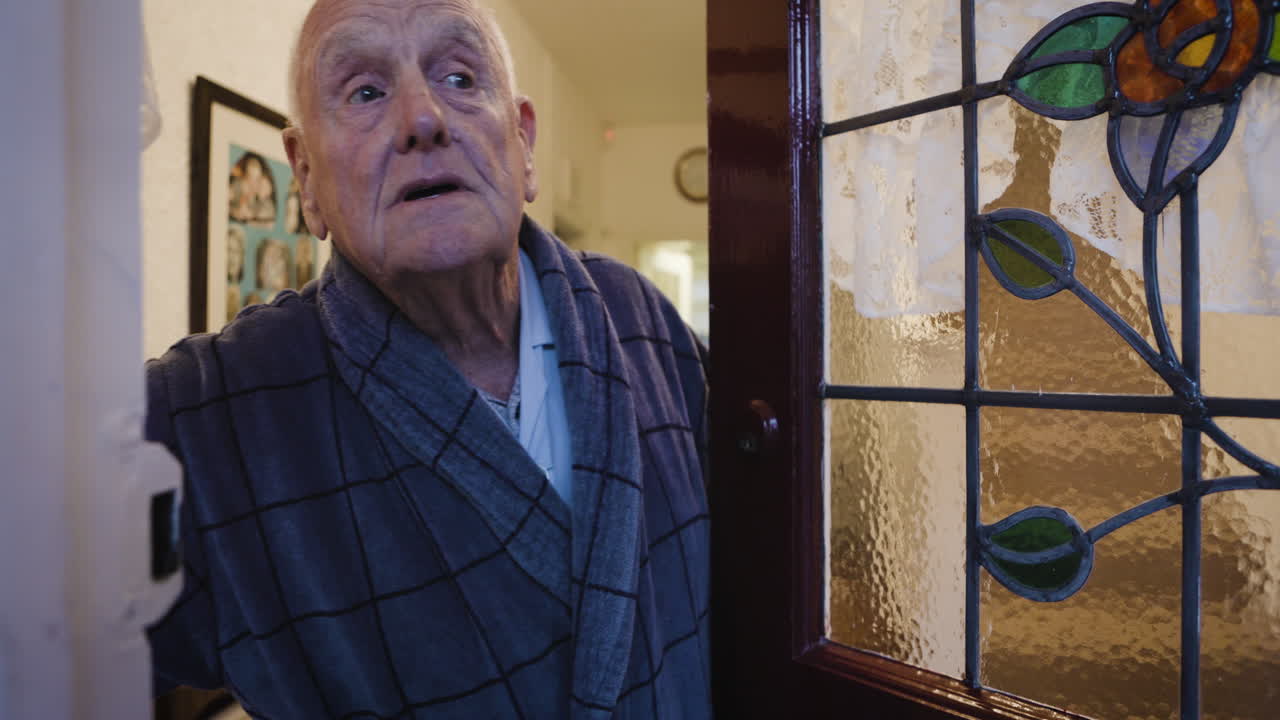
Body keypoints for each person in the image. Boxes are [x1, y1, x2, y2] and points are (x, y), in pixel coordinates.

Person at [144, 1, 710, 718]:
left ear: (525, 144)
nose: (422, 118)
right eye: (366, 91)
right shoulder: (208, 415)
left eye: (461, 77)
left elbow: (762, 571)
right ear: (306, 178)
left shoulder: (639, 319)